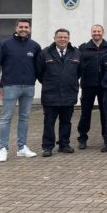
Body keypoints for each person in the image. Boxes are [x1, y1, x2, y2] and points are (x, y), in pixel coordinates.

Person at [0, 18, 41, 162]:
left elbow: (38, 67)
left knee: (24, 117)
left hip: (29, 87)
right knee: (6, 118)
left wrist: (36, 81)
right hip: (10, 86)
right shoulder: (4, 45)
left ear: (30, 29)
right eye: (21, 27)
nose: (24, 29)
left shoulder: (35, 46)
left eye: (26, 27)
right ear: (16, 28)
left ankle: (22, 147)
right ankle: (3, 148)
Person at [36, 29, 83, 157]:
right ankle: (47, 147)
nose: (63, 39)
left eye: (65, 37)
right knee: (49, 122)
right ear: (54, 38)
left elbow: (78, 72)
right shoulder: (45, 53)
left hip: (69, 94)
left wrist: (69, 82)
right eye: (60, 37)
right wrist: (50, 83)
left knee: (66, 122)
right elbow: (40, 73)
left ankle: (64, 144)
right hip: (50, 94)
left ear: (69, 38)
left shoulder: (76, 53)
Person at [77, 24, 107, 150]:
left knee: (105, 113)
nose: (96, 33)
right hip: (88, 85)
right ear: (91, 33)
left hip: (104, 86)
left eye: (98, 31)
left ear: (103, 32)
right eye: (94, 31)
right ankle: (82, 138)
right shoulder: (83, 48)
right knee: (85, 113)